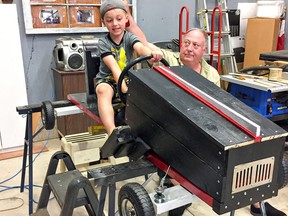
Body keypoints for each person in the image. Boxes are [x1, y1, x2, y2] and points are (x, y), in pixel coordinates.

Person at [123, 1, 287, 216]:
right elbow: (141, 39)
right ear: (181, 44)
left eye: (195, 45)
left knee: (243, 151)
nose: (189, 48)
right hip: (172, 125)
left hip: (202, 126)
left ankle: (257, 204)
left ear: (204, 51)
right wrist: (126, 14)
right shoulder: (168, 59)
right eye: (186, 43)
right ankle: (176, 192)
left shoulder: (211, 74)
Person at [96, 0, 163, 135]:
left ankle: (146, 131)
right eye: (109, 20)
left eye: (119, 19)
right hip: (108, 80)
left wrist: (151, 54)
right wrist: (125, 91)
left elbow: (140, 48)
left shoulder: (129, 37)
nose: (115, 23)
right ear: (103, 22)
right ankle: (112, 133)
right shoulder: (103, 43)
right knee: (103, 91)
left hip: (127, 78)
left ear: (126, 19)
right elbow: (114, 67)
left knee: (146, 92)